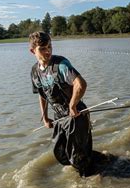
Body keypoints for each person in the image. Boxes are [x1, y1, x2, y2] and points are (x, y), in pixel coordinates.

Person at [29, 31, 93, 177]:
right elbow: (42, 95)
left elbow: (81, 84)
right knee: (61, 152)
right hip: (59, 116)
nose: (48, 51)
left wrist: (72, 105)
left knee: (77, 155)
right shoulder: (34, 72)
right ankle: (88, 163)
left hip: (76, 114)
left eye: (50, 46)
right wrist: (45, 117)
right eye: (43, 48)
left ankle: (88, 182)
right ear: (32, 51)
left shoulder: (61, 65)